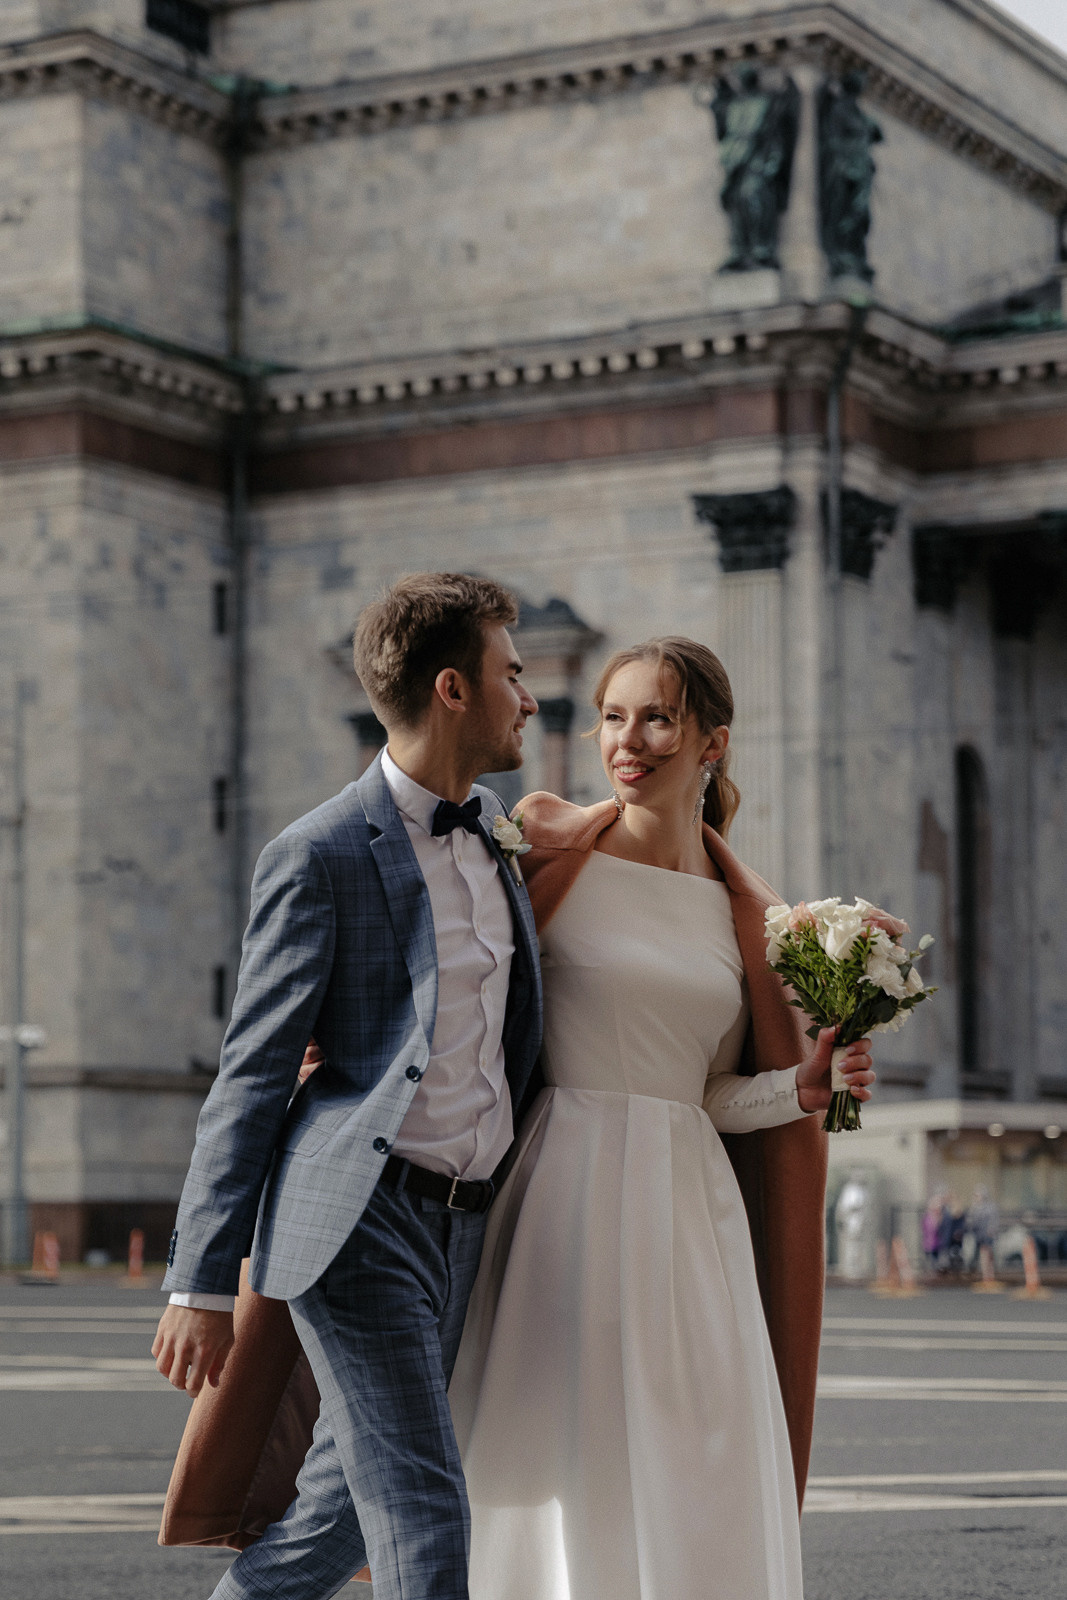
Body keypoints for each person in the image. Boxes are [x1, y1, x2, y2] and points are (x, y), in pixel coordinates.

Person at [447, 637, 875, 1600]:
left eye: (656, 717)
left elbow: (709, 1094)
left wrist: (799, 1091)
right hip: (554, 1193)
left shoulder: (754, 917)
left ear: (710, 741)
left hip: (689, 1215)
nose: (626, 740)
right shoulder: (540, 849)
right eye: (611, 715)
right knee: (549, 1448)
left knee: (694, 1459)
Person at [151, 572, 543, 1600]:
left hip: (463, 1226)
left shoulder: (497, 832)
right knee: (421, 1501)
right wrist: (200, 1278)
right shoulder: (317, 853)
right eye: (513, 671)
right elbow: (252, 1072)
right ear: (454, 689)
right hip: (358, 1220)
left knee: (333, 1514)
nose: (530, 696)